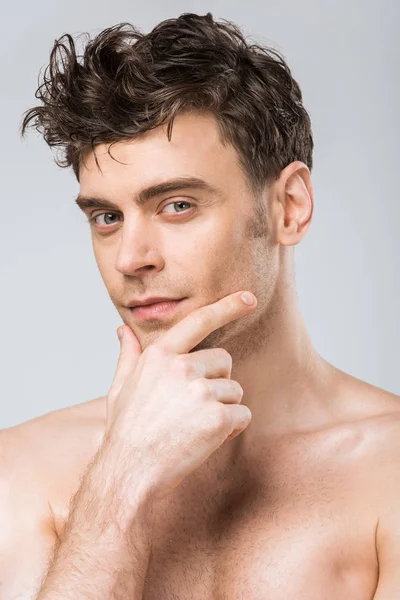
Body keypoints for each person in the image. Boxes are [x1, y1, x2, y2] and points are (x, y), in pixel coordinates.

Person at [1, 11, 398, 600]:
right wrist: (121, 478)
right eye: (107, 217)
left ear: (289, 207)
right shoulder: (21, 472)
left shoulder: (386, 475)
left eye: (177, 205)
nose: (132, 257)